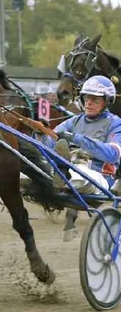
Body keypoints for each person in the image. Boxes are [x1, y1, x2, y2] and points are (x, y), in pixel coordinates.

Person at [42, 75, 121, 240]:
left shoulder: (115, 123)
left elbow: (112, 155)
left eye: (95, 100)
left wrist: (77, 139)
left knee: (78, 174)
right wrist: (42, 137)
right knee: (35, 169)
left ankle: (62, 176)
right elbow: (50, 140)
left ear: (106, 102)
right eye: (86, 98)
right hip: (72, 169)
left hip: (100, 178)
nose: (88, 103)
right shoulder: (74, 121)